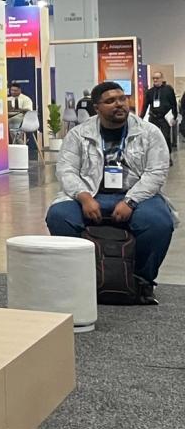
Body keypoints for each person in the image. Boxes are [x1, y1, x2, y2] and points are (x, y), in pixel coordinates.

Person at [45, 81, 175, 304]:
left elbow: (156, 172)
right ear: (97, 108)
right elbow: (66, 170)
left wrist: (131, 201)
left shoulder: (149, 132)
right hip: (91, 193)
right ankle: (81, 279)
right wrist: (83, 196)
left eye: (122, 99)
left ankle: (141, 282)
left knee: (159, 222)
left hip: (138, 195)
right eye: (110, 101)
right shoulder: (79, 134)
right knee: (59, 216)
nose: (119, 104)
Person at [142, 70, 177, 153]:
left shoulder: (168, 90)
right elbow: (145, 106)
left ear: (161, 78)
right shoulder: (150, 92)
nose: (155, 80)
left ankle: (167, 156)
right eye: (153, 78)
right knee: (153, 138)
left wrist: (174, 117)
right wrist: (140, 118)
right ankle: (156, 157)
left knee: (166, 137)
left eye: (157, 78)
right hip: (153, 117)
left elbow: (174, 104)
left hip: (165, 118)